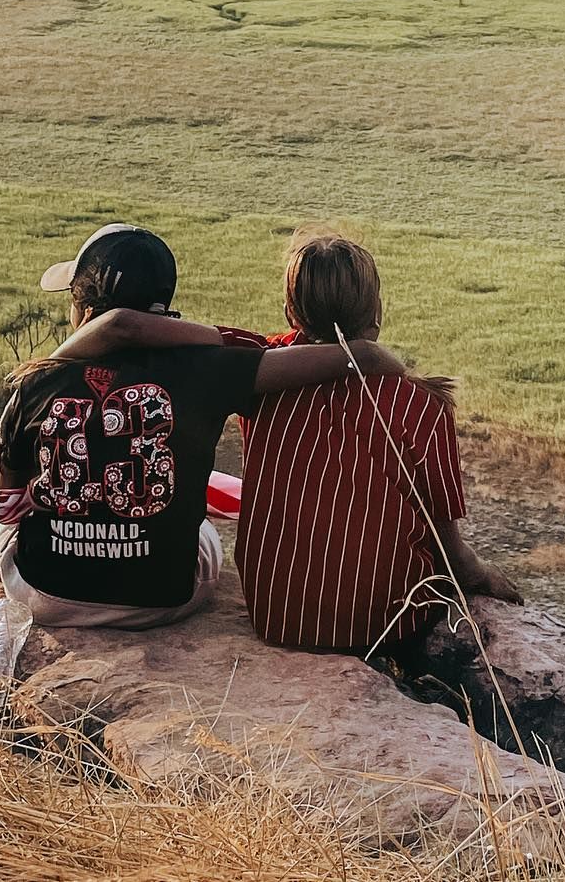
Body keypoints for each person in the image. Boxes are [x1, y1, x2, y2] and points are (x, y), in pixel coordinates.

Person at [55, 231, 520, 654]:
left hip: (274, 616)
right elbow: (449, 546)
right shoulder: (419, 404)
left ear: (289, 312)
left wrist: (43, 374)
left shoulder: (257, 368)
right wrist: (482, 577)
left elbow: (128, 326)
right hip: (385, 625)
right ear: (376, 311)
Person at [0, 223, 404, 629]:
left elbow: (4, 503)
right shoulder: (207, 367)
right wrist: (372, 356)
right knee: (202, 528)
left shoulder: (34, 383)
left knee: (14, 526)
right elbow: (349, 357)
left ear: (83, 311)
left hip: (43, 597)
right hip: (162, 600)